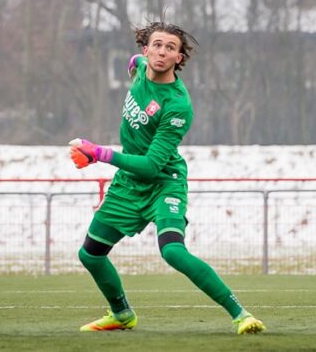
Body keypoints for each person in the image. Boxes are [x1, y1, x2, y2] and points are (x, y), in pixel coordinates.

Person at [68, 21, 266, 335]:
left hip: (163, 180)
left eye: (171, 48)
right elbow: (134, 64)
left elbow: (149, 165)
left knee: (172, 251)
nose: (162, 52)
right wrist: (135, 62)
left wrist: (99, 153)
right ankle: (121, 314)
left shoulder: (177, 105)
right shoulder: (140, 66)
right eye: (157, 45)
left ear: (179, 58)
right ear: (145, 50)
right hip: (128, 183)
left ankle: (241, 315)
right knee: (90, 255)